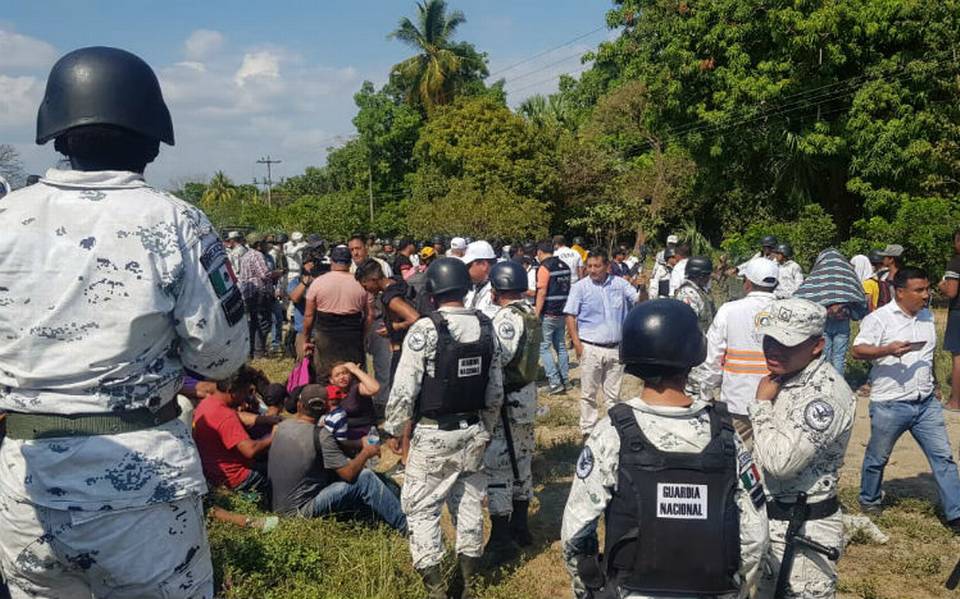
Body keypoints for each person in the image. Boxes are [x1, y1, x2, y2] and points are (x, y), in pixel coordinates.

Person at [0, 46, 248, 599]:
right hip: (142, 493)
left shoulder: (5, 218)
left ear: (57, 136)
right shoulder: (175, 221)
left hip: (25, 488)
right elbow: (221, 357)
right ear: (153, 140)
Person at [561, 300, 769, 599]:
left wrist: (589, 590)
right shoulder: (726, 436)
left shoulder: (611, 434)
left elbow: (576, 530)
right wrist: (740, 588)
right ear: (694, 356)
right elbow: (756, 534)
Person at [383, 257, 504, 599]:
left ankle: (437, 590)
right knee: (469, 506)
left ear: (433, 293)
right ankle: (468, 585)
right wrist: (487, 428)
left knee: (421, 509)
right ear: (464, 289)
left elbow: (404, 388)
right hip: (474, 430)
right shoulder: (486, 327)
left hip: (434, 434)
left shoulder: (426, 329)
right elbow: (495, 390)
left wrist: (394, 430)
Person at [749, 298, 855, 598]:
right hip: (773, 522)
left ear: (817, 346)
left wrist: (760, 406)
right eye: (770, 340)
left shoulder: (824, 394)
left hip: (803, 531)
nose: (774, 349)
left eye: (787, 343)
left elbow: (781, 462)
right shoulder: (785, 378)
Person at [853, 267, 960, 530]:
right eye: (919, 290)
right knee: (878, 457)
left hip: (925, 404)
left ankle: (955, 514)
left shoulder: (926, 317)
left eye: (927, 289)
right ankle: (869, 499)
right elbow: (858, 350)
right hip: (890, 403)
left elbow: (927, 356)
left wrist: (934, 384)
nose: (926, 295)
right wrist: (887, 350)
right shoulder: (879, 319)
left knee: (943, 458)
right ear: (900, 292)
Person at [267, 385, 406, 531]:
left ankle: (401, 506)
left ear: (299, 405)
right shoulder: (321, 435)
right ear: (327, 408)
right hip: (299, 512)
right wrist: (365, 453)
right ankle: (407, 527)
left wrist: (359, 443)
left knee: (379, 478)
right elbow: (349, 474)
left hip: (277, 507)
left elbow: (334, 444)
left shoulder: (282, 426)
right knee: (365, 478)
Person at [483, 261, 542, 565]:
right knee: (522, 464)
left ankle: (501, 537)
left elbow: (500, 359)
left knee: (499, 468)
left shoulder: (507, 318)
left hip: (508, 402)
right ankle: (521, 527)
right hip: (526, 397)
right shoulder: (529, 312)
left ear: (497, 289)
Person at [691, 257, 779, 445]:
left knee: (740, 455)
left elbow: (713, 357)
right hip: (777, 402)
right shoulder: (787, 311)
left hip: (738, 400)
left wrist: (706, 392)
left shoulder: (729, 311)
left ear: (747, 283)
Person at [564, 249, 640, 439]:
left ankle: (613, 428)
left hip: (616, 348)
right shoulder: (580, 287)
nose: (592, 270)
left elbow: (640, 302)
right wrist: (577, 344)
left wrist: (644, 288)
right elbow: (570, 315)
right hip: (590, 347)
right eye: (589, 266)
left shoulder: (620, 284)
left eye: (597, 266)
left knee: (613, 395)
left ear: (607, 266)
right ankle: (588, 430)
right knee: (588, 393)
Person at [192, 366, 273, 495]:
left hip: (213, 472)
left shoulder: (206, 403)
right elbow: (250, 450)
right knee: (284, 470)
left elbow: (240, 417)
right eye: (245, 391)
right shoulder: (226, 416)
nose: (246, 396)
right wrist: (274, 436)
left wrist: (267, 419)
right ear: (232, 391)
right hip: (237, 478)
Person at [302, 245, 372, 382]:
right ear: (350, 262)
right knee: (354, 375)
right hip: (352, 335)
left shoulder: (318, 283)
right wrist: (364, 336)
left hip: (326, 335)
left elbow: (309, 316)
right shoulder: (361, 283)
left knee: (326, 375)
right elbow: (370, 315)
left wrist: (306, 339)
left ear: (332, 262)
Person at [793, 249, 867, 376]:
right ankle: (839, 384)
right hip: (842, 322)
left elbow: (807, 291)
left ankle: (825, 382)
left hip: (825, 321)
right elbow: (856, 292)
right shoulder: (846, 272)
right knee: (839, 357)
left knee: (824, 355)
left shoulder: (820, 272)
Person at [348, 234, 394, 410]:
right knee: (358, 363)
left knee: (383, 362)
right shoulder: (348, 268)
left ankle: (382, 401)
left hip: (378, 319)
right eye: (352, 250)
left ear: (365, 249)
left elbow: (389, 290)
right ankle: (361, 400)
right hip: (355, 321)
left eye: (358, 248)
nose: (355, 253)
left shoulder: (381, 265)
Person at [355, 259, 420, 378]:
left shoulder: (391, 298)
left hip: (402, 350)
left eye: (365, 285)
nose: (366, 289)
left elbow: (415, 318)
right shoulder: (397, 281)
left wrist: (393, 327)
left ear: (374, 279)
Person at [535, 239, 573, 395]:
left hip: (548, 313)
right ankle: (565, 380)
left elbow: (542, 292)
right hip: (562, 312)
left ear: (539, 252)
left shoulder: (544, 267)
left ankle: (555, 383)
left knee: (543, 347)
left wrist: (536, 313)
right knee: (561, 347)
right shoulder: (565, 266)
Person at [239, 232, 277, 358]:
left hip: (249, 294)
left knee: (253, 322)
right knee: (263, 322)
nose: (267, 245)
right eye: (265, 242)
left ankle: (251, 351)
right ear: (258, 244)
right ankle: (259, 352)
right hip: (259, 293)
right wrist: (278, 273)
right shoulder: (257, 255)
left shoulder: (246, 255)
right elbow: (265, 274)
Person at [287, 245, 323, 360]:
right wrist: (305, 282)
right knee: (303, 364)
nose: (313, 265)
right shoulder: (296, 281)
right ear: (304, 263)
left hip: (322, 331)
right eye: (311, 261)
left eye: (316, 262)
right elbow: (294, 297)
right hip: (303, 331)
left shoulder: (324, 280)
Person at [942, 230, 960, 411]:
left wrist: (942, 286)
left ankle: (955, 402)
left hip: (958, 312)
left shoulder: (955, 263)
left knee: (958, 357)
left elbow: (952, 292)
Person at [674, 255, 716, 333]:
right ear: (701, 276)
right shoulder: (688, 294)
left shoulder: (700, 291)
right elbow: (690, 324)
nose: (709, 278)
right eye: (708, 275)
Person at [462, 239, 499, 317]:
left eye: (468, 266)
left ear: (483, 265)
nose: (465, 270)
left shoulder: (499, 291)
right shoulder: (474, 287)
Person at [865, 244, 903, 312]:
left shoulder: (900, 278)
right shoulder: (882, 276)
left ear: (891, 260)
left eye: (885, 257)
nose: (882, 259)